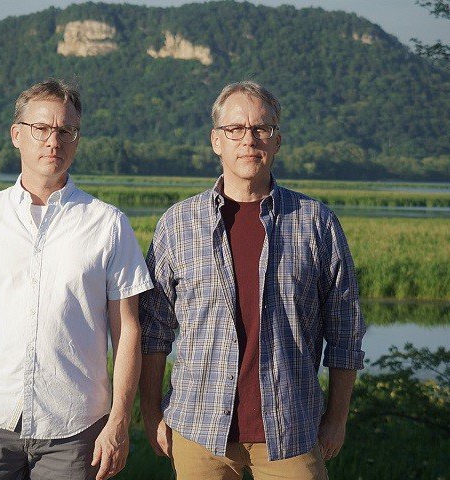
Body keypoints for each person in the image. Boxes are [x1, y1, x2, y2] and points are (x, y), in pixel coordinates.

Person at [138, 81, 366, 480]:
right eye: (235, 129)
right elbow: (153, 330)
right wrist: (152, 412)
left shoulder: (316, 222)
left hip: (292, 430)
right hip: (198, 430)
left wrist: (337, 418)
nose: (249, 140)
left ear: (277, 141)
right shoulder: (178, 224)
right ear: (216, 141)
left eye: (261, 129)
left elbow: (345, 331)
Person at [0, 79, 153, 480]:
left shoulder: (108, 224)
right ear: (17, 134)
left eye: (66, 130)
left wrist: (120, 418)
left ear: (76, 140)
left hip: (76, 430)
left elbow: (128, 329)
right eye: (42, 129)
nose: (54, 141)